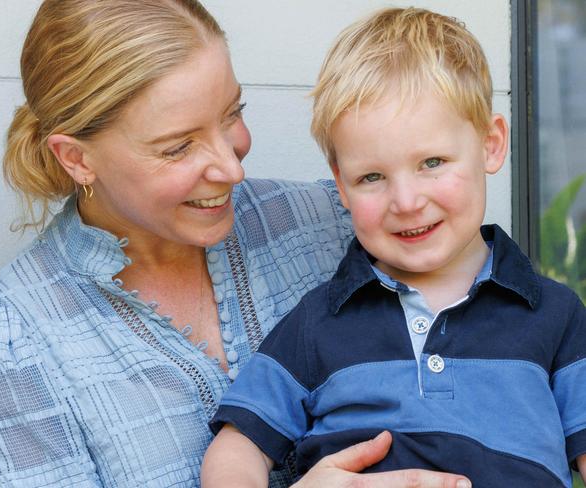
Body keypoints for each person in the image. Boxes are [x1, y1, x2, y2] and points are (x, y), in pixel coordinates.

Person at [0, 1, 474, 487]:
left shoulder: (332, 224)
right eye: (177, 148)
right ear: (76, 158)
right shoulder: (5, 348)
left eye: (232, 115)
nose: (232, 167)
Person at [202, 7, 586, 488]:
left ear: (491, 144)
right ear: (340, 184)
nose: (406, 202)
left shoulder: (557, 315)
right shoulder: (320, 321)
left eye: (432, 162)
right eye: (372, 177)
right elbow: (238, 446)